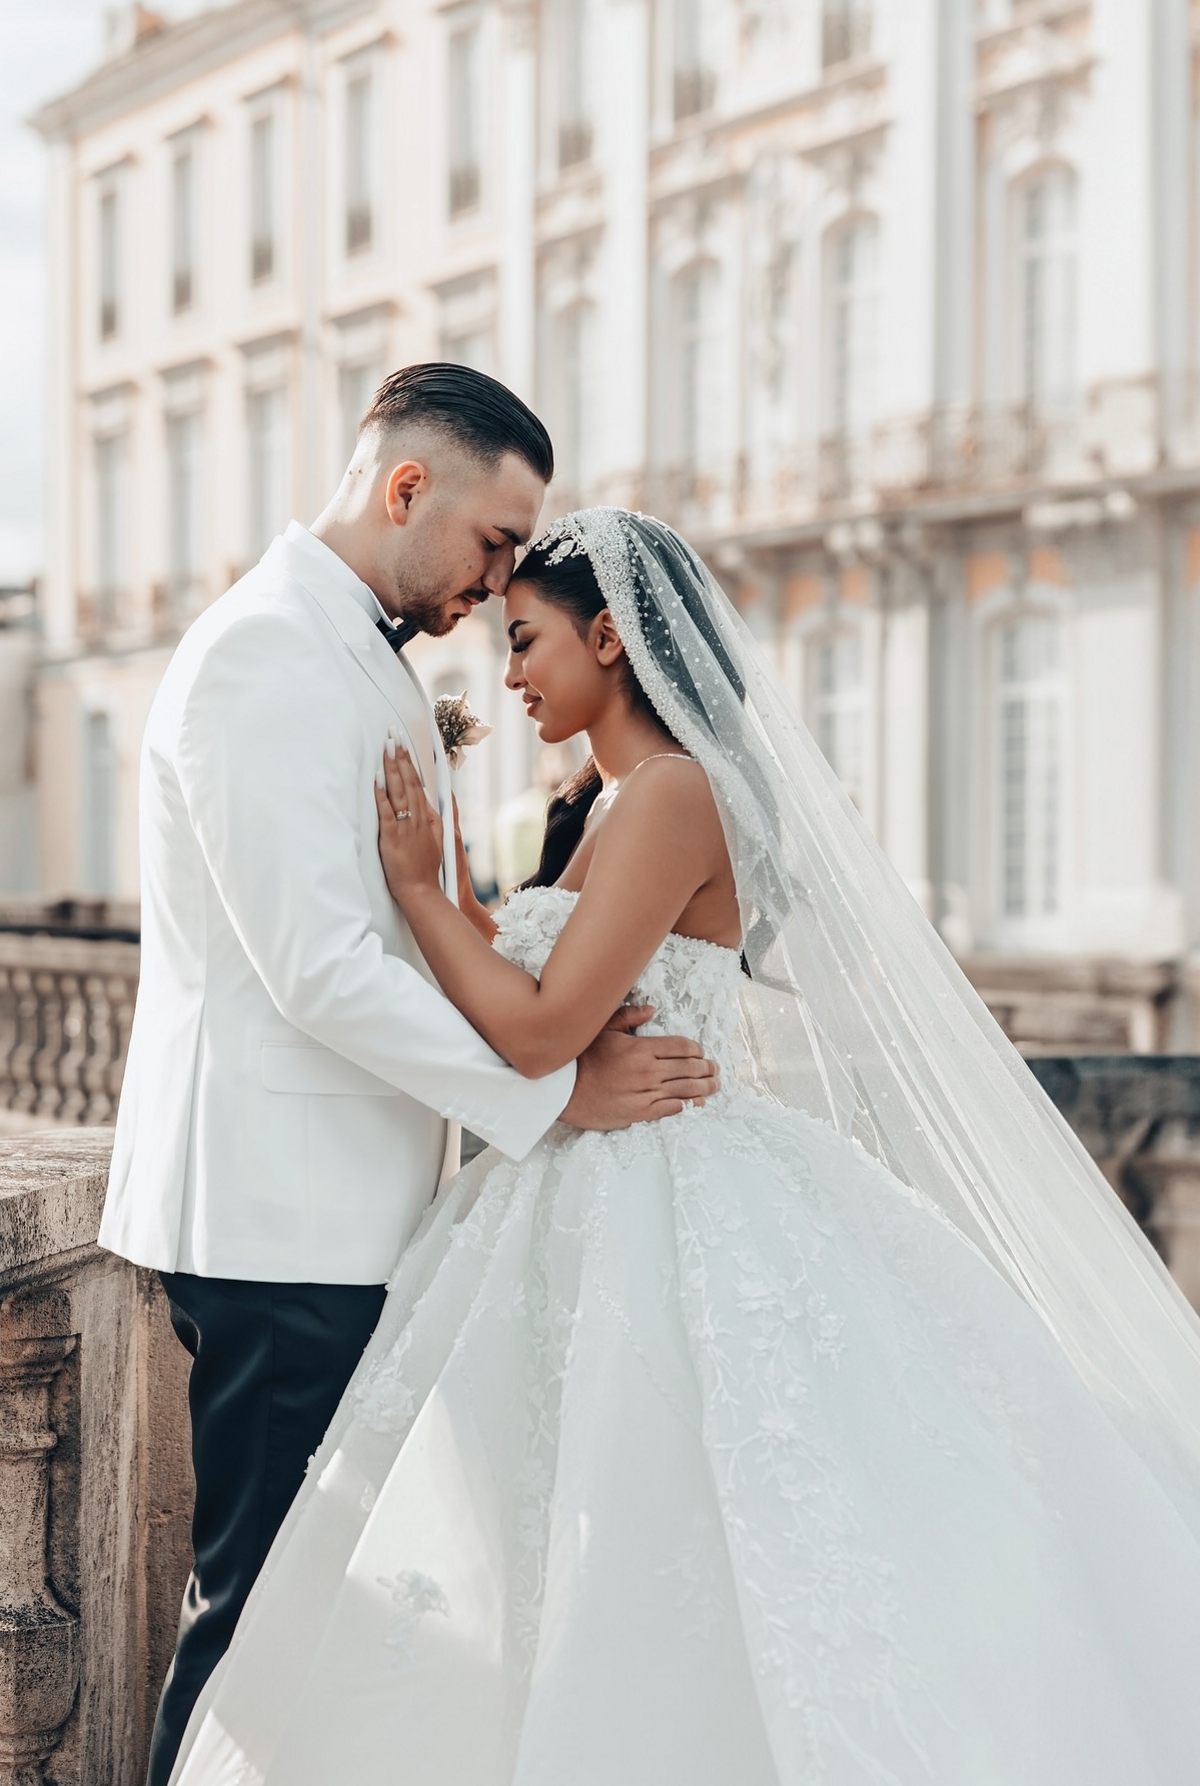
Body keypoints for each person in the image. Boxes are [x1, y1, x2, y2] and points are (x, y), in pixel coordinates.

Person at [171, 507, 1200, 1784]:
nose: (509, 672)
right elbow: (538, 983)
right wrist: (458, 897)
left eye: (527, 638)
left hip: (655, 1179)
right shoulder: (612, 798)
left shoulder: (674, 794)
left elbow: (542, 1032)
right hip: (582, 1179)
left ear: (610, 638)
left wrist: (423, 897)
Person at [98, 381, 720, 1786]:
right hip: (275, 1223)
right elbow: (318, 969)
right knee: (256, 1621)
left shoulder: (360, 658)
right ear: (405, 491)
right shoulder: (264, 655)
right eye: (495, 543)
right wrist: (556, 1092)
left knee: (331, 1627)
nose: (499, 583)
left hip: (352, 1214)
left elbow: (418, 927)